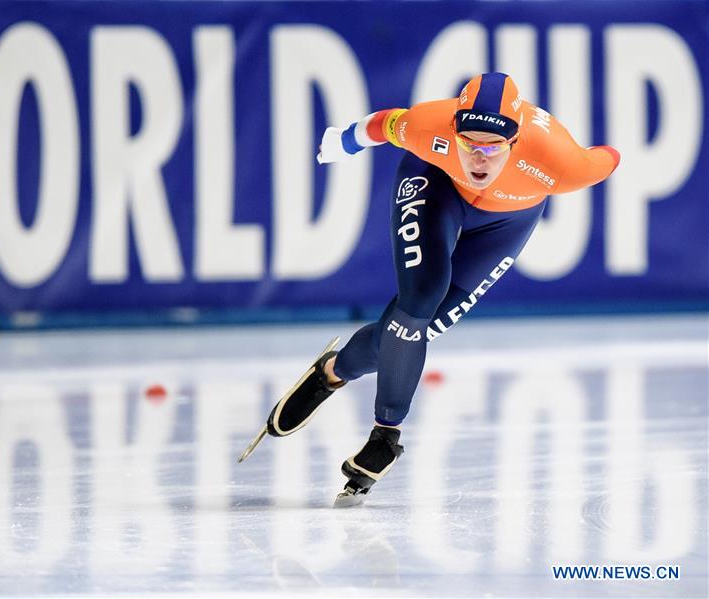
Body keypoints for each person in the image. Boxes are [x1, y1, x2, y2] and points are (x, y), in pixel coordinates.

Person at [245, 72, 621, 506]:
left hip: (507, 220)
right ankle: (386, 436)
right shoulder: (429, 127)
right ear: (454, 131)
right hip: (434, 184)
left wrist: (613, 153)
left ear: (515, 143)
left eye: (492, 147)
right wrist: (342, 141)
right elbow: (382, 124)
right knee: (421, 299)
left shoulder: (563, 165)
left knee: (423, 326)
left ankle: (332, 372)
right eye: (469, 143)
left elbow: (607, 158)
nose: (479, 159)